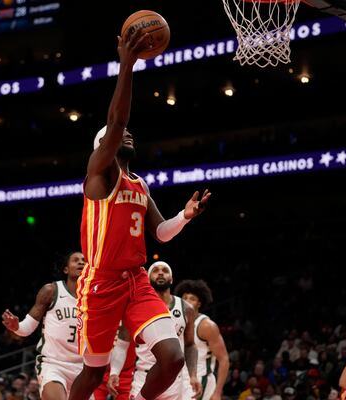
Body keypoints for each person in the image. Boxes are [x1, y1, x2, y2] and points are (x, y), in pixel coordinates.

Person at [68, 29, 211, 400]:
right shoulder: (99, 176)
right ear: (103, 147)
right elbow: (116, 123)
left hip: (135, 280)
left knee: (173, 358)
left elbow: (161, 233)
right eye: (118, 135)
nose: (127, 134)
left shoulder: (140, 185)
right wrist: (127, 65)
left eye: (129, 133)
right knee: (94, 371)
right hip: (100, 284)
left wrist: (185, 214)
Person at [108, 261, 202, 399]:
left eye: (165, 270)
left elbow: (190, 345)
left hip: (175, 381)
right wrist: (114, 372)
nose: (160, 273)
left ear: (171, 278)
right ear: (147, 278)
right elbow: (122, 344)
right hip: (144, 378)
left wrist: (193, 375)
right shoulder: (136, 307)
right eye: (155, 270)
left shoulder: (186, 308)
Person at [2, 252, 86, 400]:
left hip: (84, 369)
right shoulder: (51, 291)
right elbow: (27, 328)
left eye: (84, 261)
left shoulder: (95, 298)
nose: (81, 263)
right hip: (54, 365)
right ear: (65, 269)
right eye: (76, 260)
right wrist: (16, 326)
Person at [175, 279, 230, 400]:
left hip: (200, 380)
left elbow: (224, 359)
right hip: (178, 380)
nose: (187, 301)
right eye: (185, 298)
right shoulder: (176, 321)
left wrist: (217, 392)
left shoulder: (206, 326)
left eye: (192, 298)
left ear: (199, 303)